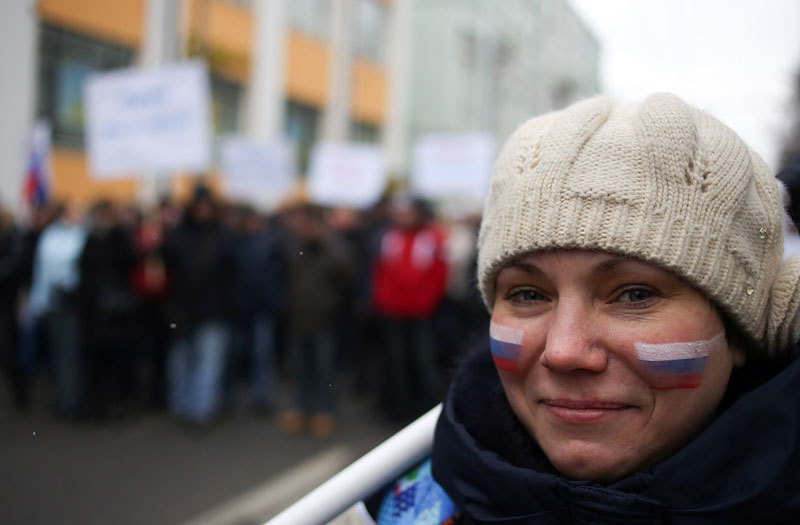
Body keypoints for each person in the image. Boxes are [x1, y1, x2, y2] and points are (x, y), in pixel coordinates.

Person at [375, 93, 800, 522]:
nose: (564, 352)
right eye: (528, 294)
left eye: (635, 295)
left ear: (741, 333)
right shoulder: (405, 508)